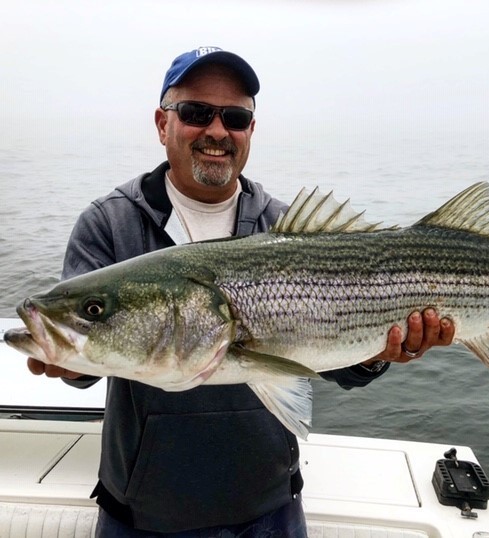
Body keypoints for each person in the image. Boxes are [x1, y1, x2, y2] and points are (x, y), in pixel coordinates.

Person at [27, 46, 455, 537]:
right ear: (161, 123)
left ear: (250, 130)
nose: (216, 130)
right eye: (195, 113)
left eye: (234, 117)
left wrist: (380, 352)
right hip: (145, 514)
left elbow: (340, 367)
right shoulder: (108, 224)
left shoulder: (283, 227)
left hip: (270, 509)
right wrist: (68, 358)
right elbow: (86, 366)